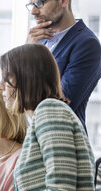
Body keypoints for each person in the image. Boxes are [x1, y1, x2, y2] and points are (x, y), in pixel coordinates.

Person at [0, 43, 95, 191]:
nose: (0, 86)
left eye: (6, 77)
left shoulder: (48, 110)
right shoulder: (44, 115)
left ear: (26, 77)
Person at [25, 0, 101, 131]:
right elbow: (9, 88)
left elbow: (60, 105)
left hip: (59, 142)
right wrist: (26, 51)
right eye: (31, 4)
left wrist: (28, 56)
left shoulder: (87, 44)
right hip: (28, 139)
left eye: (39, 3)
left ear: (63, 1)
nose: (33, 11)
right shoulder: (37, 39)